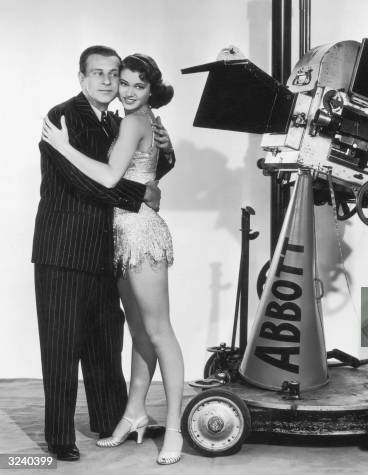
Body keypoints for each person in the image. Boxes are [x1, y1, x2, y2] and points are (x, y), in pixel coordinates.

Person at [33, 45, 175, 462]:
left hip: (105, 247)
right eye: (98, 73)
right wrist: (142, 193)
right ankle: (59, 435)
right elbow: (86, 182)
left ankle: (112, 418)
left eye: (114, 74)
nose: (108, 81)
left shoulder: (118, 121)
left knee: (104, 342)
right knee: (61, 346)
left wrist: (164, 150)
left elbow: (142, 165)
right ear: (81, 77)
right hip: (63, 247)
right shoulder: (63, 116)